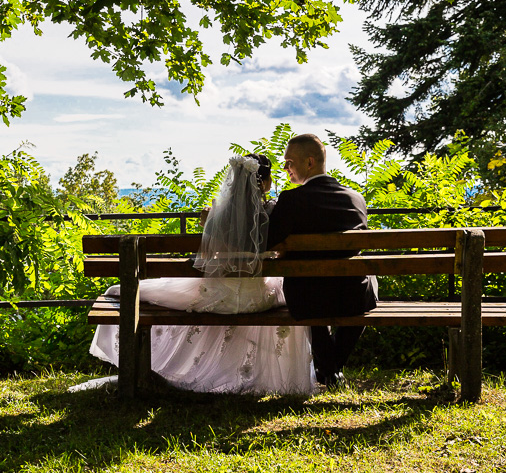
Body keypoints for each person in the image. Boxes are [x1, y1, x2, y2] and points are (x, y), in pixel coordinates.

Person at [89, 154, 318, 395]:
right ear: (266, 183)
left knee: (122, 292)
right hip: (259, 300)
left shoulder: (216, 216)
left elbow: (210, 262)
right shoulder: (274, 212)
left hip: (221, 297)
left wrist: (209, 225)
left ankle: (159, 367)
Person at [266, 134, 378, 388]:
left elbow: (265, 242)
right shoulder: (356, 199)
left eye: (289, 162)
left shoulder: (291, 200)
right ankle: (332, 368)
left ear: (309, 162)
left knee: (310, 288)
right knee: (365, 283)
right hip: (353, 296)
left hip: (307, 299)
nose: (285, 169)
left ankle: (329, 368)